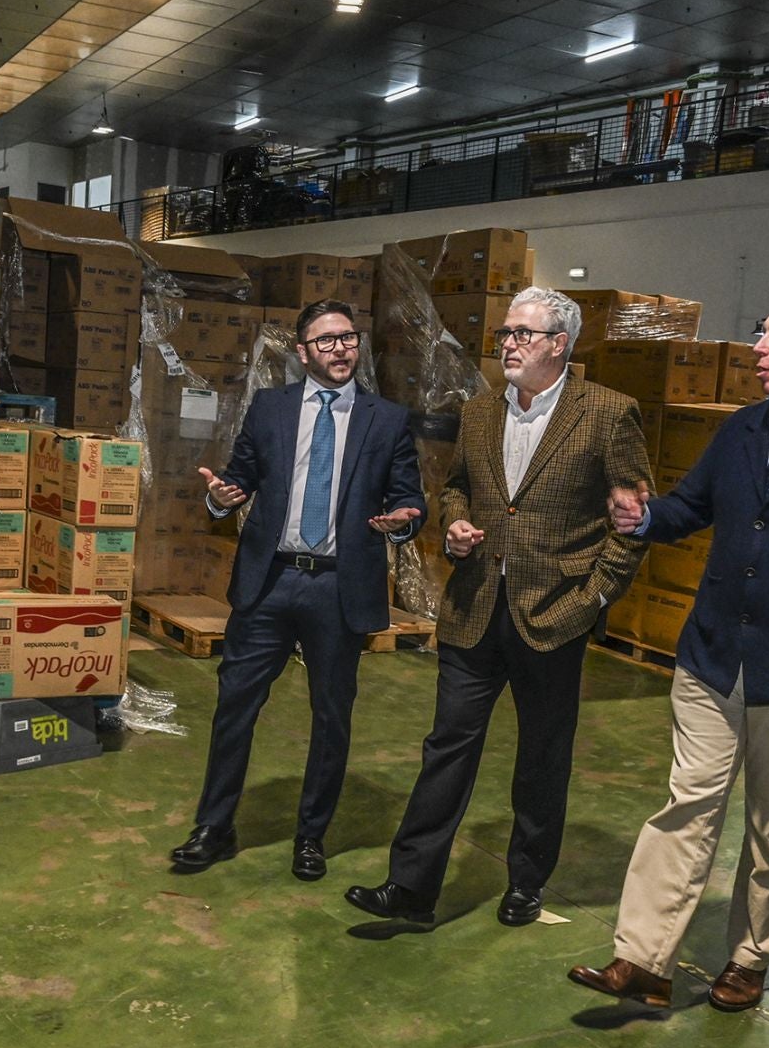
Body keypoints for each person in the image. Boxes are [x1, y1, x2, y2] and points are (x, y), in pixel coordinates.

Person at [567, 291, 769, 1010]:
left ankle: (749, 958)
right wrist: (644, 517)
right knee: (687, 805)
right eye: (762, 330)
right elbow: (693, 507)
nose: (758, 345)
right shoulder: (745, 428)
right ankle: (643, 961)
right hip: (714, 653)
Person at [345, 287, 648, 927]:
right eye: (504, 334)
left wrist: (592, 598)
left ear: (559, 344)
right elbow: (457, 489)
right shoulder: (481, 413)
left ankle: (526, 883)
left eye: (523, 334)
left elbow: (632, 523)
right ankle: (412, 889)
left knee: (542, 756)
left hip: (555, 614)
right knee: (446, 747)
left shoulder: (609, 414)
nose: (508, 344)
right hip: (475, 606)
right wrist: (455, 527)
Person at [169, 299, 425, 881]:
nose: (342, 349)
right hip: (270, 582)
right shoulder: (271, 409)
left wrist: (405, 520)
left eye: (350, 339)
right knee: (235, 706)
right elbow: (239, 476)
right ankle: (214, 825)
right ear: (304, 352)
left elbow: (410, 498)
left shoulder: (386, 420)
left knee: (332, 716)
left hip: (338, 588)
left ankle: (311, 835)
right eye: (328, 340)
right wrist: (221, 497)